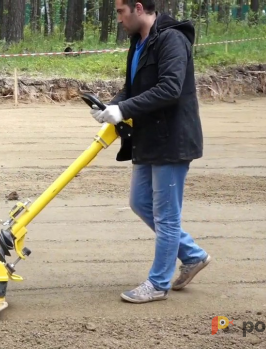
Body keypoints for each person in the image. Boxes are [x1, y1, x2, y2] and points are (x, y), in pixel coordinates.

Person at [90, 0, 211, 303]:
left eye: (120, 11)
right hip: (148, 138)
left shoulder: (172, 39)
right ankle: (193, 256)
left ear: (138, 7)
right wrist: (111, 107)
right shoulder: (139, 42)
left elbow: (170, 88)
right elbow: (132, 88)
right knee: (140, 201)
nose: (118, 18)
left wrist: (124, 109)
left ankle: (158, 284)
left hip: (172, 139)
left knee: (167, 217)